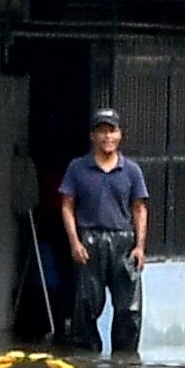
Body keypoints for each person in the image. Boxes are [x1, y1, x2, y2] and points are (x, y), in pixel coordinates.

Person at [57, 106, 151, 354]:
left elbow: (140, 208)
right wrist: (75, 242)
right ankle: (87, 361)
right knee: (86, 305)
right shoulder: (77, 168)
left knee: (129, 309)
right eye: (101, 132)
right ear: (93, 136)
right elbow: (67, 206)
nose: (107, 137)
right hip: (90, 240)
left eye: (112, 131)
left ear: (119, 135)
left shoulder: (131, 170)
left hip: (123, 241)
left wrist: (140, 246)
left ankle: (126, 363)